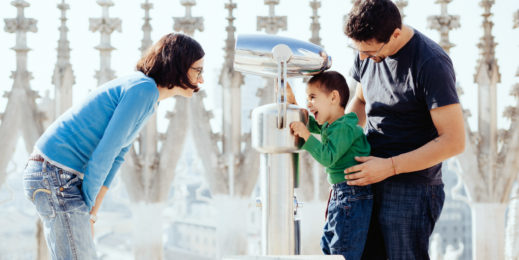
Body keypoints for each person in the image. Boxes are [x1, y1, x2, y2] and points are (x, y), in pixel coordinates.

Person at [22, 33, 205, 259]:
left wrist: (92, 212)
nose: (201, 80)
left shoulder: (147, 95)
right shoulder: (143, 90)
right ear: (179, 66)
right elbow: (105, 153)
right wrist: (88, 210)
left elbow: (118, 154)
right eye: (198, 70)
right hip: (54, 174)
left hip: (53, 174)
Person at [342, 0, 465, 259]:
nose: (364, 59)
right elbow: (361, 100)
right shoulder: (365, 50)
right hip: (368, 179)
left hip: (412, 188)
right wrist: (340, 142)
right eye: (359, 51)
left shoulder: (431, 62)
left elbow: (454, 141)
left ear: (395, 34)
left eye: (372, 53)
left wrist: (388, 167)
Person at [289, 71, 372, 260]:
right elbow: (310, 123)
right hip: (341, 194)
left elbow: (328, 157)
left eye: (312, 97)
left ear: (333, 97)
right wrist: (294, 104)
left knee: (342, 250)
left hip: (351, 195)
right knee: (328, 244)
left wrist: (306, 136)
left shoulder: (344, 127)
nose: (309, 103)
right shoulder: (330, 124)